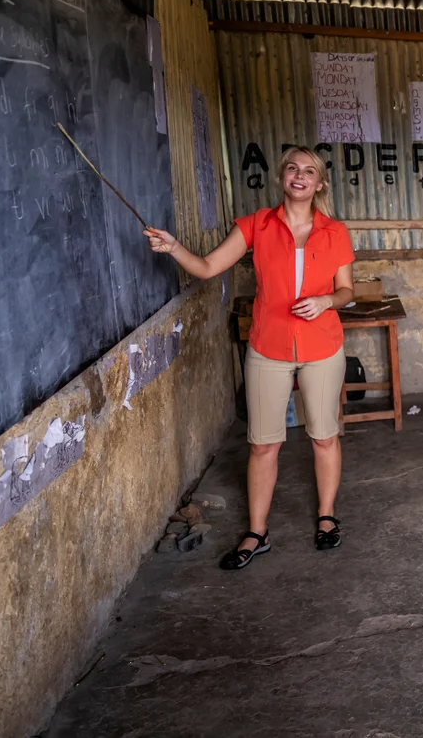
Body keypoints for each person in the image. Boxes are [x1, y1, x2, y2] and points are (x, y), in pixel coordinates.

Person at [145, 146, 355, 569]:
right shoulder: (256, 225)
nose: (299, 176)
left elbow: (348, 291)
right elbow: (205, 267)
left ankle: (327, 517)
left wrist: (326, 300)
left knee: (324, 436)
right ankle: (257, 533)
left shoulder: (335, 232)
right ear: (281, 178)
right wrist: (174, 248)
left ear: (320, 183)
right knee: (263, 445)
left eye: (308, 171)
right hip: (268, 347)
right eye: (292, 169)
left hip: (322, 347)